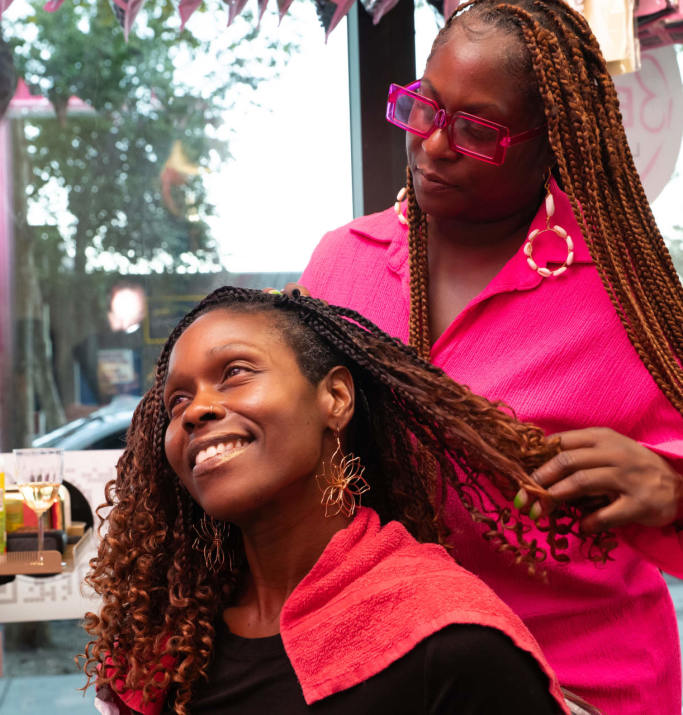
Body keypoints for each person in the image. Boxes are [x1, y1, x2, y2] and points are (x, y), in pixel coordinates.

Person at [297, 1, 683, 713]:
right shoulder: (340, 266)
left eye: (477, 130)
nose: (434, 145)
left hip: (581, 687)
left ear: (551, 141)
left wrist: (674, 493)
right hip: (382, 681)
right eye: (424, 107)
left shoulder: (627, 294)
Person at [81, 286, 589, 715]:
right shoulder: (166, 647)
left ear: (336, 399)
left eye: (235, 372)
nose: (197, 411)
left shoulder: (453, 643)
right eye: (178, 400)